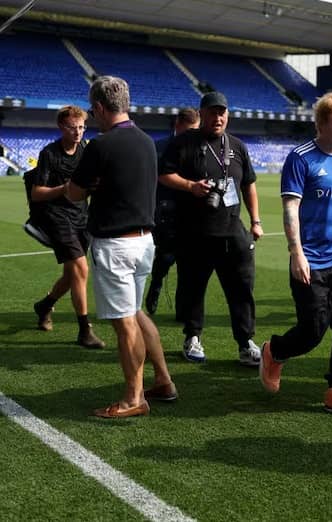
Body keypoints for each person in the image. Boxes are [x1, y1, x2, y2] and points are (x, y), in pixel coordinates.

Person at [259, 92, 332, 418]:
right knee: (312, 331)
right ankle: (275, 351)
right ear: (321, 123)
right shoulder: (300, 157)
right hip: (311, 259)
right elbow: (291, 207)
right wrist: (297, 253)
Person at [68, 76, 177, 418]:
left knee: (125, 322)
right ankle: (163, 380)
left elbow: (73, 192)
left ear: (99, 108)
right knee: (136, 312)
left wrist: (91, 187)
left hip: (115, 245)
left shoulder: (101, 145)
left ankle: (134, 398)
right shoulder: (146, 141)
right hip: (145, 241)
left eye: (92, 110)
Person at [159, 92, 264, 365]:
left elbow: (248, 184)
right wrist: (190, 186)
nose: (218, 118)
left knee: (242, 289)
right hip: (195, 232)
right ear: (202, 114)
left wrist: (255, 220)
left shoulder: (238, 146)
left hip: (233, 231)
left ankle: (245, 342)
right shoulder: (183, 143)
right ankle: (192, 337)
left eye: (222, 113)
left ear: (227, 115)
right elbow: (163, 175)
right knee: (193, 289)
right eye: (212, 112)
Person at [30, 105, 105, 349]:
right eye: (73, 127)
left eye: (82, 127)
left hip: (82, 216)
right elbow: (37, 193)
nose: (78, 132)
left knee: (72, 274)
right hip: (56, 216)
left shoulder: (86, 149)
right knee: (81, 268)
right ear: (62, 127)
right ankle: (84, 330)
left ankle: (45, 305)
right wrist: (65, 189)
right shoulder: (49, 154)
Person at [145, 108, 200, 315]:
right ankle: (156, 284)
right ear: (177, 125)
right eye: (188, 131)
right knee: (166, 257)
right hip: (164, 212)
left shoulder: (200, 148)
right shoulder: (157, 147)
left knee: (189, 263)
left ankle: (182, 308)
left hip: (192, 212)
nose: (191, 136)